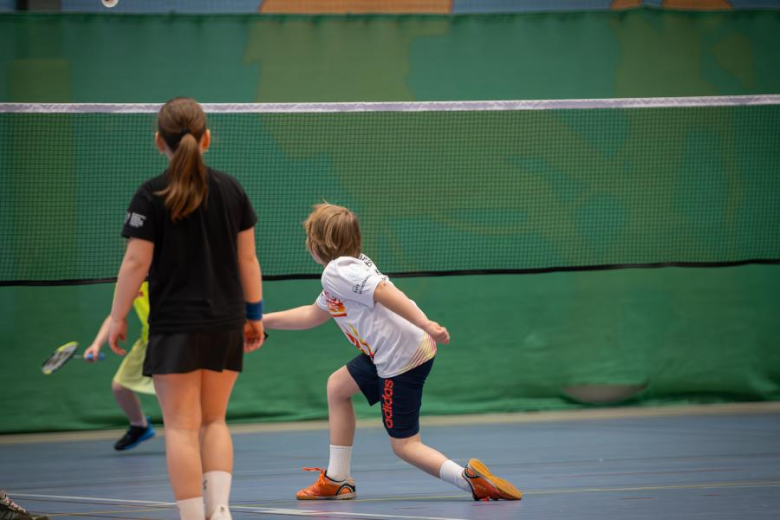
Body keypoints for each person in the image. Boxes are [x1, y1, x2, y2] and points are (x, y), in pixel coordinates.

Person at [263, 203, 521, 502]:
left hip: (400, 359)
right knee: (337, 387)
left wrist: (427, 323)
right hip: (399, 349)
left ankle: (469, 479)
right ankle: (337, 479)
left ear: (317, 245)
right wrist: (260, 320)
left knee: (405, 445)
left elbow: (384, 290)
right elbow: (312, 315)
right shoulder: (349, 270)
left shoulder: (337, 271)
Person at [108, 97, 264, 520]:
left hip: (174, 326)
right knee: (214, 421)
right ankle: (221, 511)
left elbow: (136, 263)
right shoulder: (231, 190)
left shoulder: (150, 194)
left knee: (180, 426)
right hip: (225, 323)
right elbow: (248, 261)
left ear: (160, 141)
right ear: (206, 138)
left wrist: (117, 316)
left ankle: (194, 516)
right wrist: (254, 315)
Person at [84, 282, 156, 451]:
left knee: (173, 395)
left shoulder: (167, 272)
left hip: (173, 339)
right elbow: (115, 315)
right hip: (148, 342)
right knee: (120, 387)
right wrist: (96, 345)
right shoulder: (131, 279)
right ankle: (140, 426)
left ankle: (195, 435)